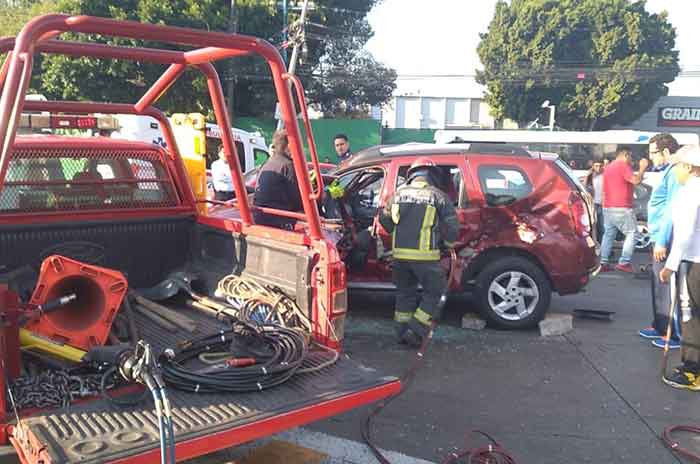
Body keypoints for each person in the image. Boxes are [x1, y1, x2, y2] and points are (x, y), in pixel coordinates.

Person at [379, 157, 459, 347]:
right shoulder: (438, 196)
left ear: (412, 176)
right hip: (425, 258)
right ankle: (416, 330)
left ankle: (401, 334)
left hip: (400, 257)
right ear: (431, 176)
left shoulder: (397, 195)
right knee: (436, 292)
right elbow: (452, 226)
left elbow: (386, 222)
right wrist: (447, 244)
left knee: (405, 294)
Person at [658, 145, 700, 390]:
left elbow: (683, 234)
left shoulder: (689, 192)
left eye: (675, 167)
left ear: (687, 167)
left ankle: (692, 370)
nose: (674, 173)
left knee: (690, 315)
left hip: (694, 261)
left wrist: (670, 266)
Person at [639, 133, 683, 347]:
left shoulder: (675, 173)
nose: (651, 158)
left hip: (665, 237)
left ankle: (672, 333)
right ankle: (660, 325)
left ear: (665, 152)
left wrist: (662, 240)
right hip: (658, 234)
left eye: (653, 153)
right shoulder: (669, 172)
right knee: (658, 282)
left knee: (666, 284)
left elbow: (671, 209)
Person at [600, 147, 649, 273]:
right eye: (631, 157)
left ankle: (603, 261)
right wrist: (642, 168)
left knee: (609, 234)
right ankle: (624, 262)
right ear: (626, 155)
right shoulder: (622, 166)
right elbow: (635, 180)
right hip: (622, 207)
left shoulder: (609, 167)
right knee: (632, 234)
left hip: (608, 206)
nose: (632, 161)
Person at [253, 130, 303, 229]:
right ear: (289, 146)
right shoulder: (288, 165)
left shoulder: (267, 163)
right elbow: (296, 198)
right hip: (279, 220)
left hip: (260, 217)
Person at [584, 160, 605, 241]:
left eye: (600, 166)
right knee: (593, 226)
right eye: (596, 166)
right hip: (593, 204)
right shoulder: (590, 176)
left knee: (602, 227)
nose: (598, 168)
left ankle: (603, 247)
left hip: (602, 204)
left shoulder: (605, 176)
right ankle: (595, 245)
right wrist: (587, 176)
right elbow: (584, 188)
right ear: (593, 166)